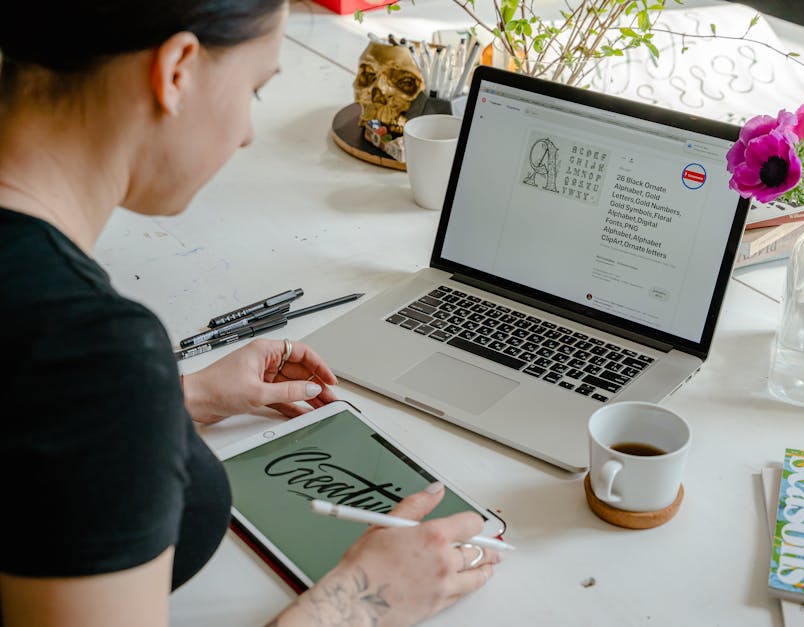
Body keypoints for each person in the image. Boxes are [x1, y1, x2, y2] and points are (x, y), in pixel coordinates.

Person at [0, 2, 499, 626]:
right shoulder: (87, 351)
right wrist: (362, 599)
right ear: (177, 69)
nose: (246, 134)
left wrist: (177, 397)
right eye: (255, 91)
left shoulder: (65, 355)